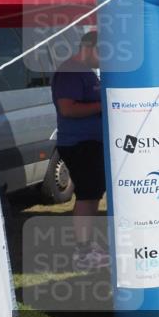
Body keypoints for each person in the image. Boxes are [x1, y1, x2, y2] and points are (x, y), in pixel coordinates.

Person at [51, 31, 109, 270]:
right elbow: (67, 109)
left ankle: (87, 247)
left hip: (90, 143)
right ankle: (83, 252)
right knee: (87, 195)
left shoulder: (86, 72)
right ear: (89, 47)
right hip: (78, 144)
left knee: (92, 194)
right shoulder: (70, 71)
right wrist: (102, 104)